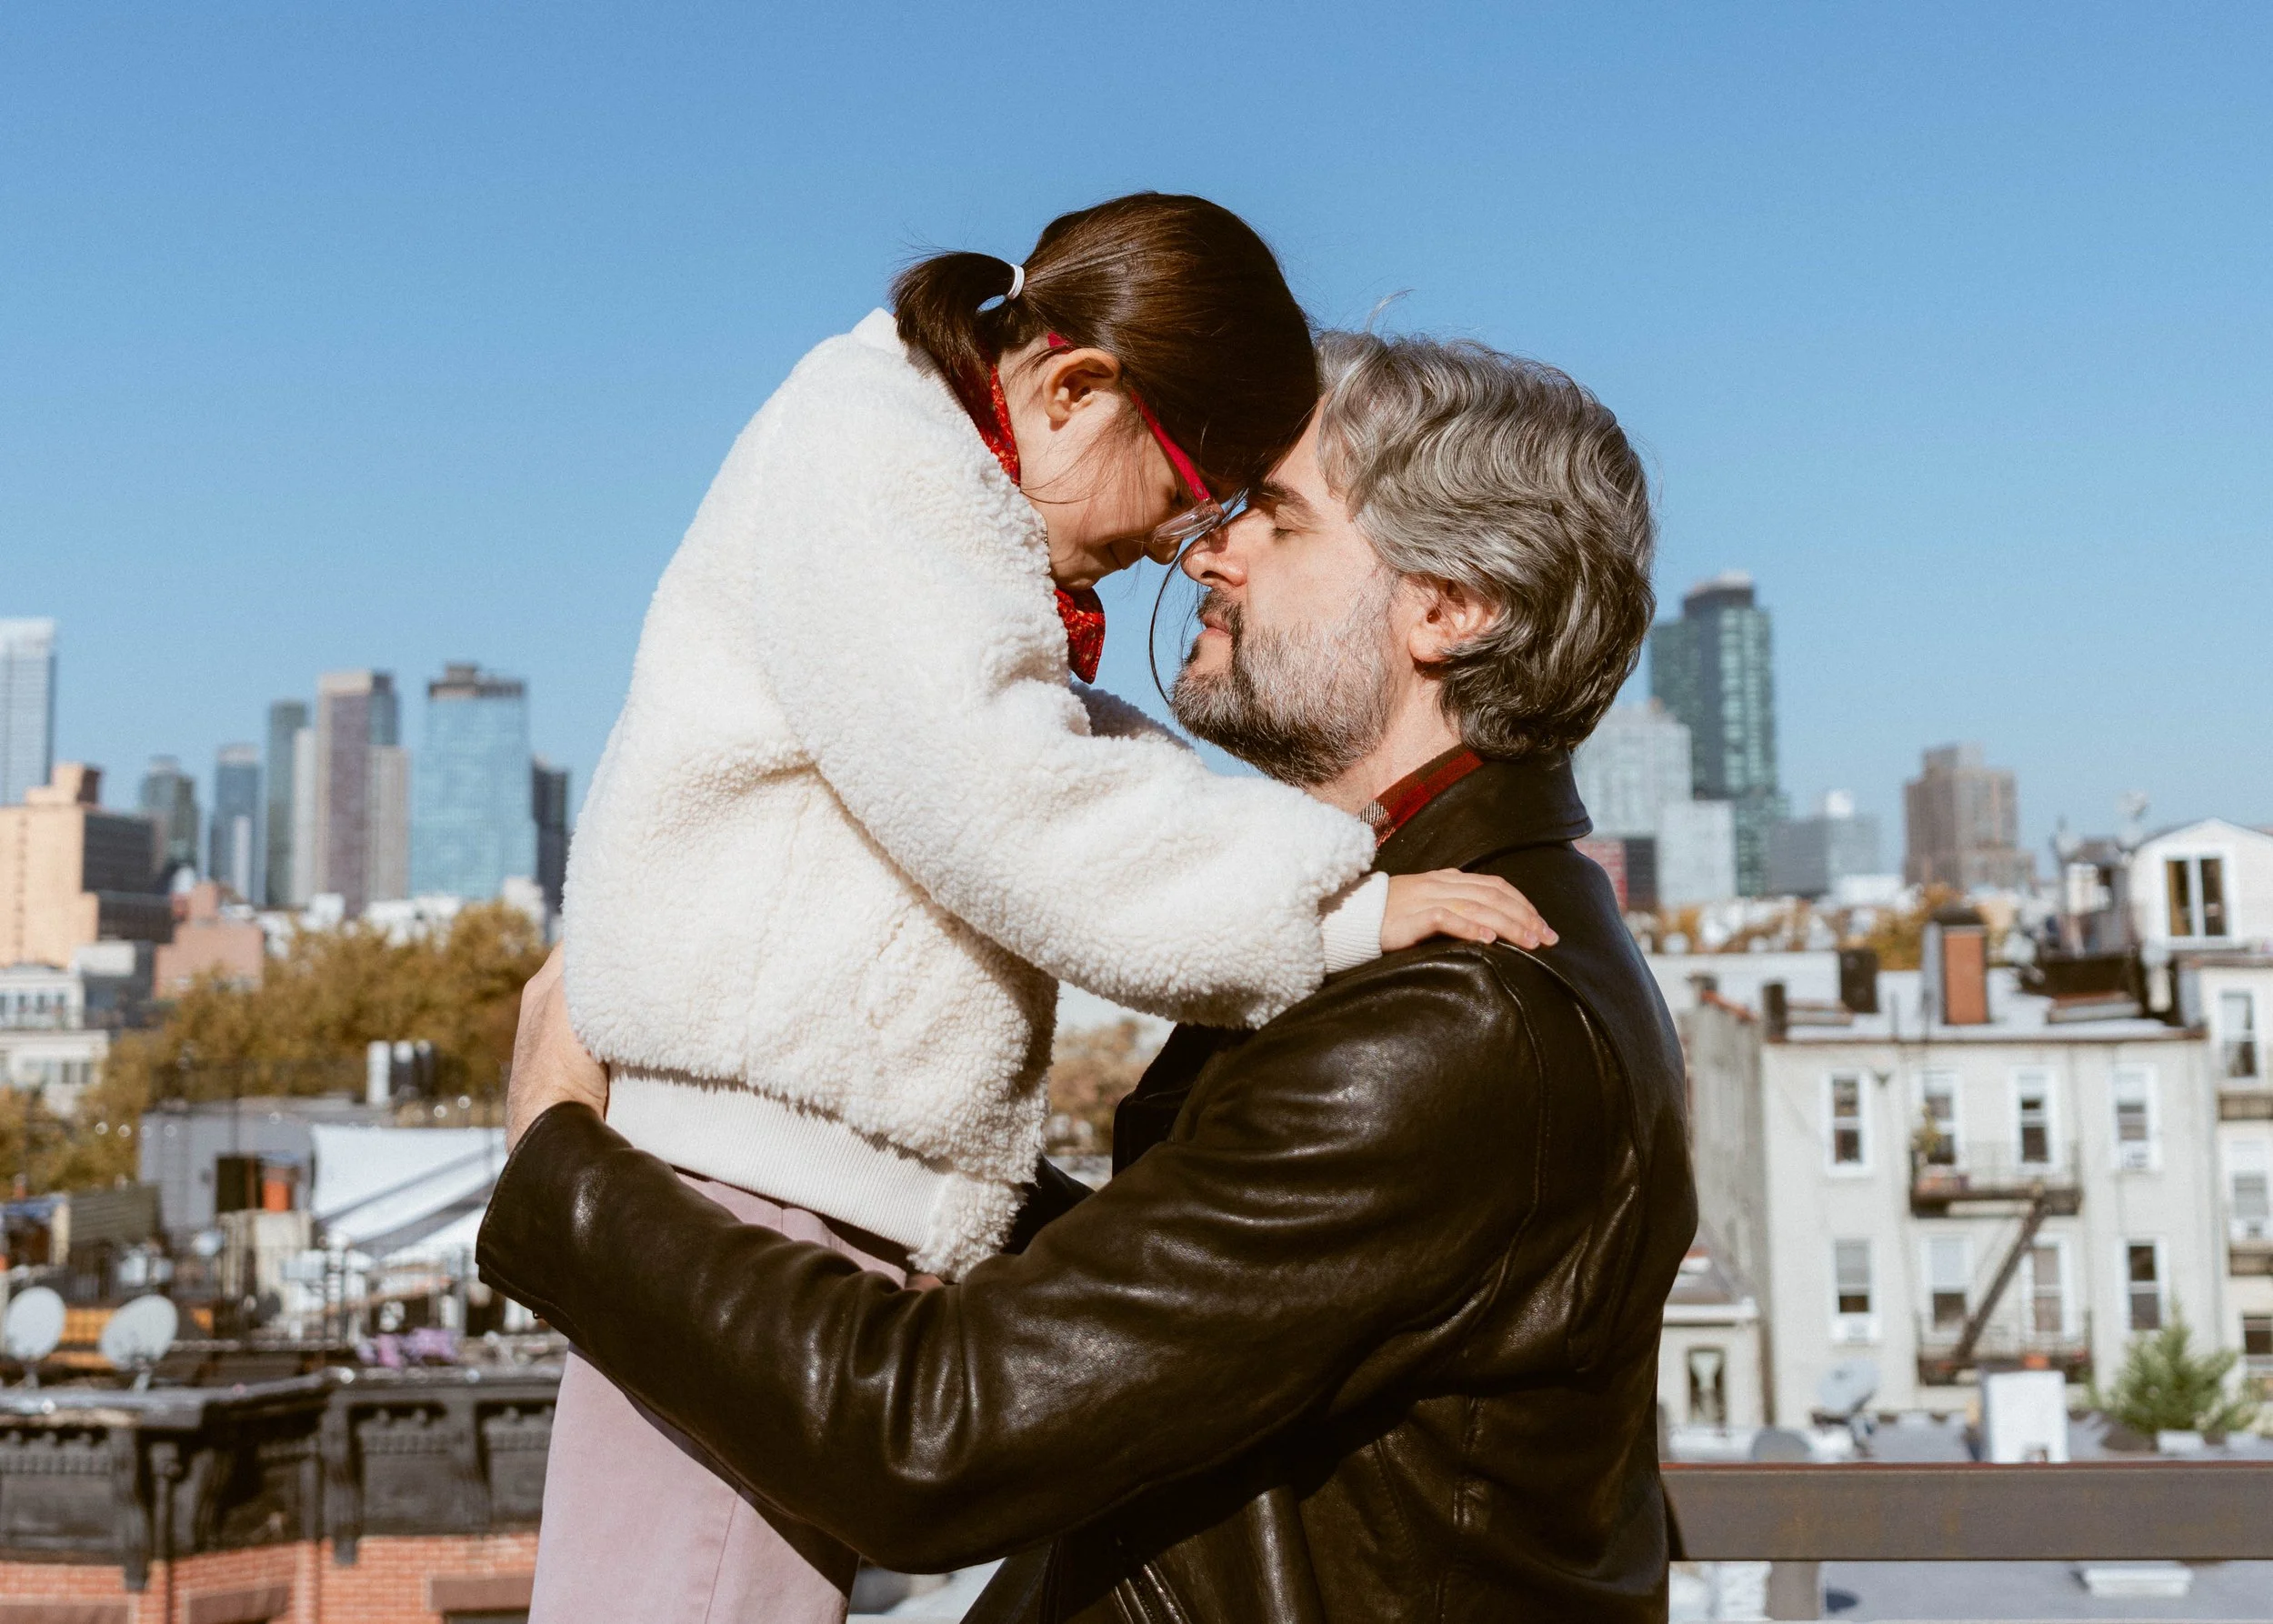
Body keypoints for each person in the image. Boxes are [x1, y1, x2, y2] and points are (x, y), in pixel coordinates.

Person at [484, 329, 1697, 1621]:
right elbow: (1193, 1302)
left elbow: (934, 1445)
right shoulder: (1432, 947)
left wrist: (559, 1160)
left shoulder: (1453, 1024)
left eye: (1272, 518)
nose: (1203, 546)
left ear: (1447, 609)